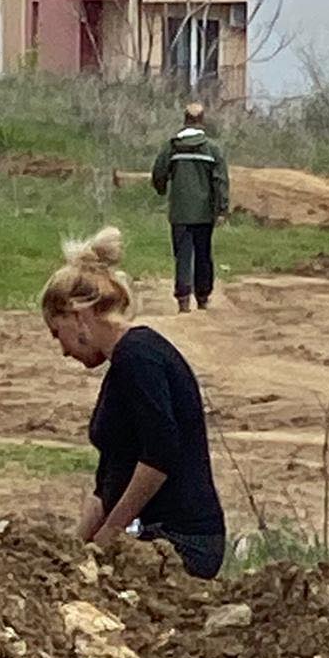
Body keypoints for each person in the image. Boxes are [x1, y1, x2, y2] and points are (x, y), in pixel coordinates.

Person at [41, 226, 226, 578]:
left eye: (57, 333)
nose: (63, 349)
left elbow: (160, 455)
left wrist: (109, 535)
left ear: (78, 316)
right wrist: (75, 549)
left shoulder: (137, 358)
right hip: (160, 533)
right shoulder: (124, 364)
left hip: (182, 542)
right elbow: (111, 478)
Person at [151, 100, 230, 313]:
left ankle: (183, 299)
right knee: (203, 254)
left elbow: (158, 172)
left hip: (180, 212)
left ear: (185, 120)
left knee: (183, 255)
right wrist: (222, 208)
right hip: (204, 213)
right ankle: (202, 297)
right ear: (202, 121)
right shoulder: (212, 149)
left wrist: (162, 189)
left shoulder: (172, 146)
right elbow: (220, 181)